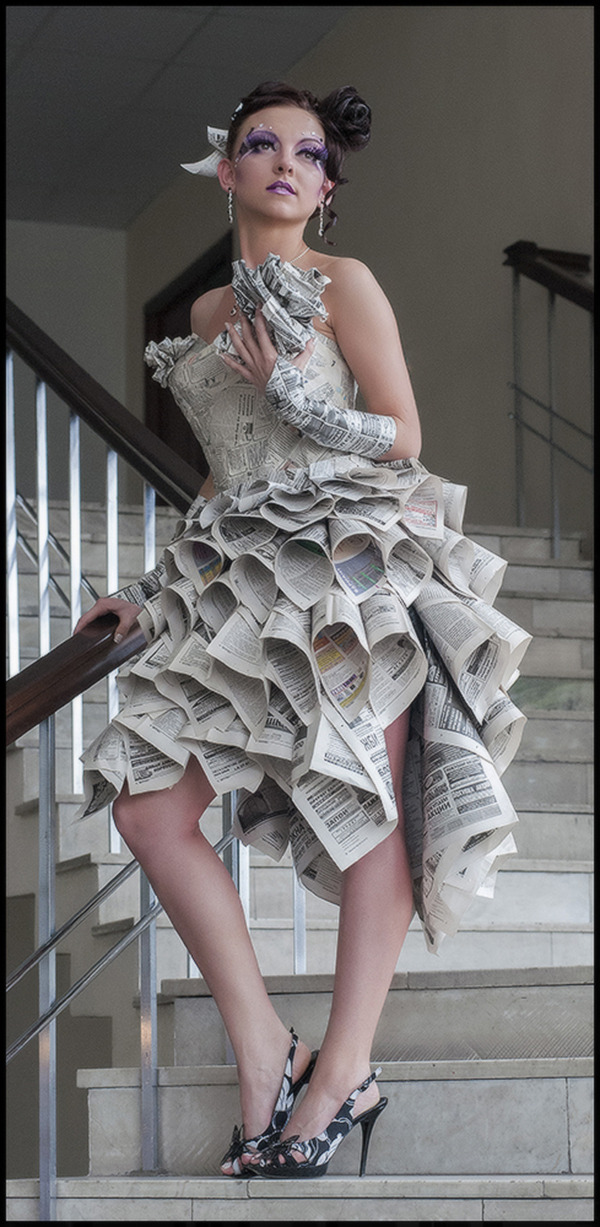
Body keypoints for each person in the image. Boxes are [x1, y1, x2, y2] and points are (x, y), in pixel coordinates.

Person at [74, 81, 529, 1179]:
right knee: (146, 804)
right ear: (225, 171)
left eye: (310, 153)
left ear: (326, 190)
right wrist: (145, 592)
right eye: (260, 145)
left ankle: (343, 1076)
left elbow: (403, 432)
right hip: (243, 561)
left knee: (367, 810)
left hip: (348, 561)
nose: (286, 161)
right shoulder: (201, 318)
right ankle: (266, 1052)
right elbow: (232, 478)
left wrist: (301, 398)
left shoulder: (346, 283)